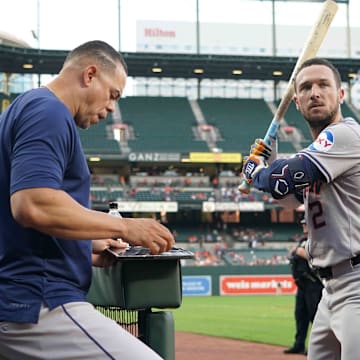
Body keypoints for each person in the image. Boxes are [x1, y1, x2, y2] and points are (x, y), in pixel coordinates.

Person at [0, 40, 174, 360]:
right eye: (113, 95)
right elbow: (32, 204)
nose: (111, 109)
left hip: (23, 298)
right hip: (38, 304)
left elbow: (25, 214)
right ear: (90, 74)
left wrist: (88, 243)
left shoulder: (28, 108)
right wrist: (125, 229)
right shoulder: (47, 110)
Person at [241, 57, 360, 360]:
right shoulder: (319, 152)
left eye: (324, 85)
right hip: (330, 288)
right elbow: (291, 200)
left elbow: (281, 180)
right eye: (306, 87)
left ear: (341, 95)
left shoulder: (345, 135)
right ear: (296, 101)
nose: (315, 92)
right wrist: (270, 162)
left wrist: (256, 172)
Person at [284, 218, 323, 355]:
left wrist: (299, 252)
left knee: (315, 316)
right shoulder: (303, 240)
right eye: (302, 224)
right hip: (301, 285)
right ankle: (299, 344)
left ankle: (319, 347)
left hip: (313, 284)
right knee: (300, 315)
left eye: (305, 223)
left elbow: (318, 257)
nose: (303, 226)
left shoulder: (317, 238)